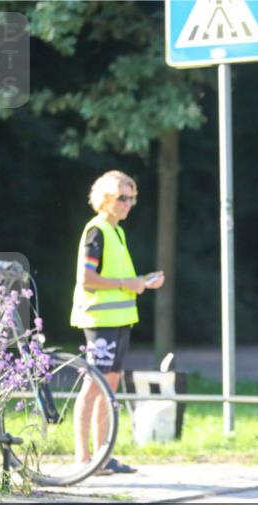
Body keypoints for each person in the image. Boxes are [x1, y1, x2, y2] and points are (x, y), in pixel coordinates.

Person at [70, 170, 164, 474]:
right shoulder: (96, 230)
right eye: (123, 197)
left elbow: (118, 279)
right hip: (100, 320)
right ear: (106, 198)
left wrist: (141, 282)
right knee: (93, 386)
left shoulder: (117, 231)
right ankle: (83, 458)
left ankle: (103, 456)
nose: (128, 203)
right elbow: (88, 279)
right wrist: (128, 283)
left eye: (132, 197)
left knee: (109, 387)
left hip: (120, 320)